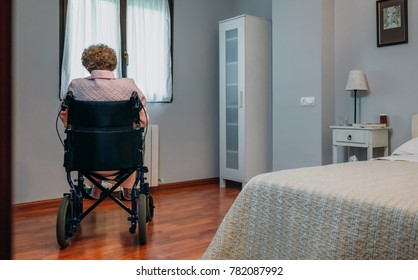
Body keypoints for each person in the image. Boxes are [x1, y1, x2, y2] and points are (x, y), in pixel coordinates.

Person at [60, 43, 148, 200]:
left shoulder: (76, 85)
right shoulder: (129, 85)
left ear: (87, 64)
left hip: (87, 160)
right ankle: (128, 191)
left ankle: (96, 189)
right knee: (128, 139)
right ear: (112, 63)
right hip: (123, 159)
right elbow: (142, 119)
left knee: (93, 140)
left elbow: (64, 115)